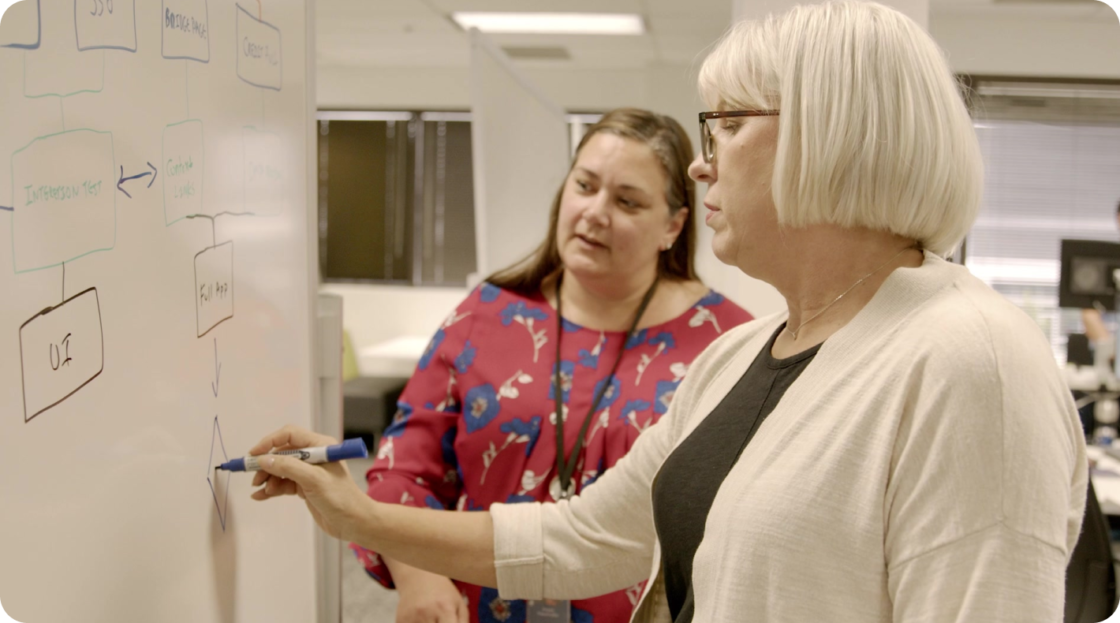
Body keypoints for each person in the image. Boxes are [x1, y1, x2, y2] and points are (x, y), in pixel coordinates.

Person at [247, 3, 1087, 621]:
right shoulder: (745, 355)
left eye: (724, 125)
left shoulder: (971, 360)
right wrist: (356, 513)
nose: (699, 166)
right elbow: (585, 537)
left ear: (828, 136)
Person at [351, 108, 752, 623]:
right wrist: (418, 575)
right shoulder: (485, 316)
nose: (595, 212)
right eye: (584, 186)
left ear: (673, 226)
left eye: (627, 201)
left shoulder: (727, 344)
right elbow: (404, 466)